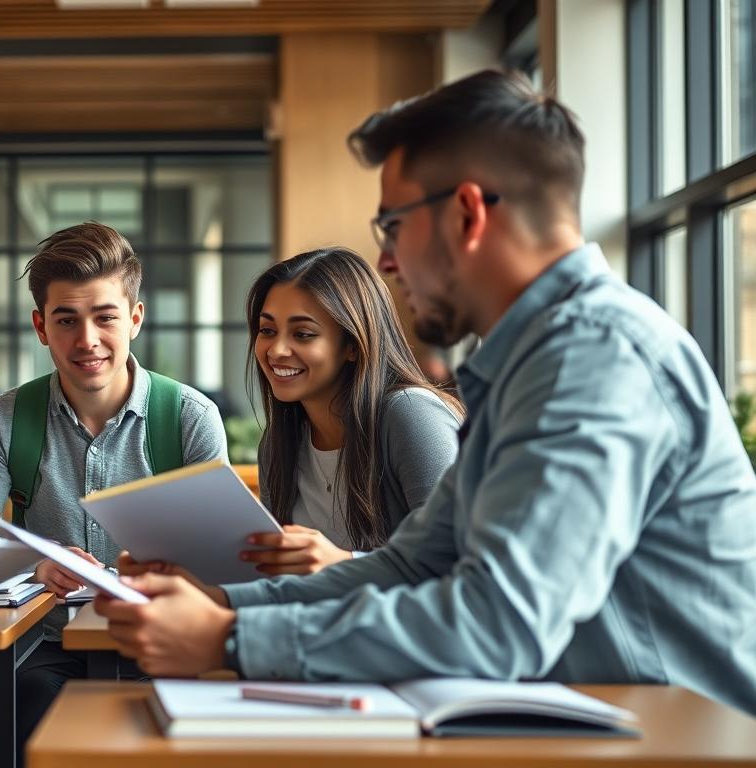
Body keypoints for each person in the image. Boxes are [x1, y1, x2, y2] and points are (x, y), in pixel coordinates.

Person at [96, 70, 756, 715]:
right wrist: (223, 605)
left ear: (467, 213)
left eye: (392, 227)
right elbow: (414, 565)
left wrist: (233, 639)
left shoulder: (593, 358)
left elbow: (498, 623)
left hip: (670, 741)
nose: (385, 262)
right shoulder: (531, 365)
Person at [0, 221, 228, 750]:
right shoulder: (3, 420)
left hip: (163, 644)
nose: (87, 340)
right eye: (66, 320)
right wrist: (35, 562)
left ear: (136, 318)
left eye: (105, 317)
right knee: (20, 712)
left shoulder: (189, 417)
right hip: (47, 648)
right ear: (40, 326)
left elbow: (219, 555)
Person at [236, 247, 461, 575]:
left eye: (303, 334)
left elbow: (459, 560)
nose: (277, 350)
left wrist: (342, 563)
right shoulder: (278, 444)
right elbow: (275, 582)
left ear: (353, 346)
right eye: (267, 331)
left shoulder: (411, 415)